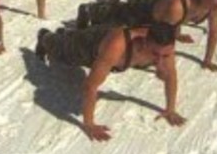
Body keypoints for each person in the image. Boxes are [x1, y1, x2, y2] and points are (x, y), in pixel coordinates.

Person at [35, 21, 184, 141]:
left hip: (110, 46)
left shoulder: (164, 48)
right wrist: (89, 123)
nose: (159, 60)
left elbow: (171, 76)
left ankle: (66, 34)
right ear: (145, 42)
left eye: (164, 56)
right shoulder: (117, 46)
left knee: (70, 40)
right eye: (154, 54)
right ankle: (44, 36)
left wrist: (170, 109)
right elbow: (90, 86)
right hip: (93, 44)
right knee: (62, 51)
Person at [79, 0, 217, 71]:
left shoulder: (215, 4)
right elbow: (164, 34)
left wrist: (208, 60)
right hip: (145, 7)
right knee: (118, 15)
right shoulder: (178, 6)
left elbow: (213, 30)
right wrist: (161, 63)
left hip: (160, 17)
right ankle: (90, 10)